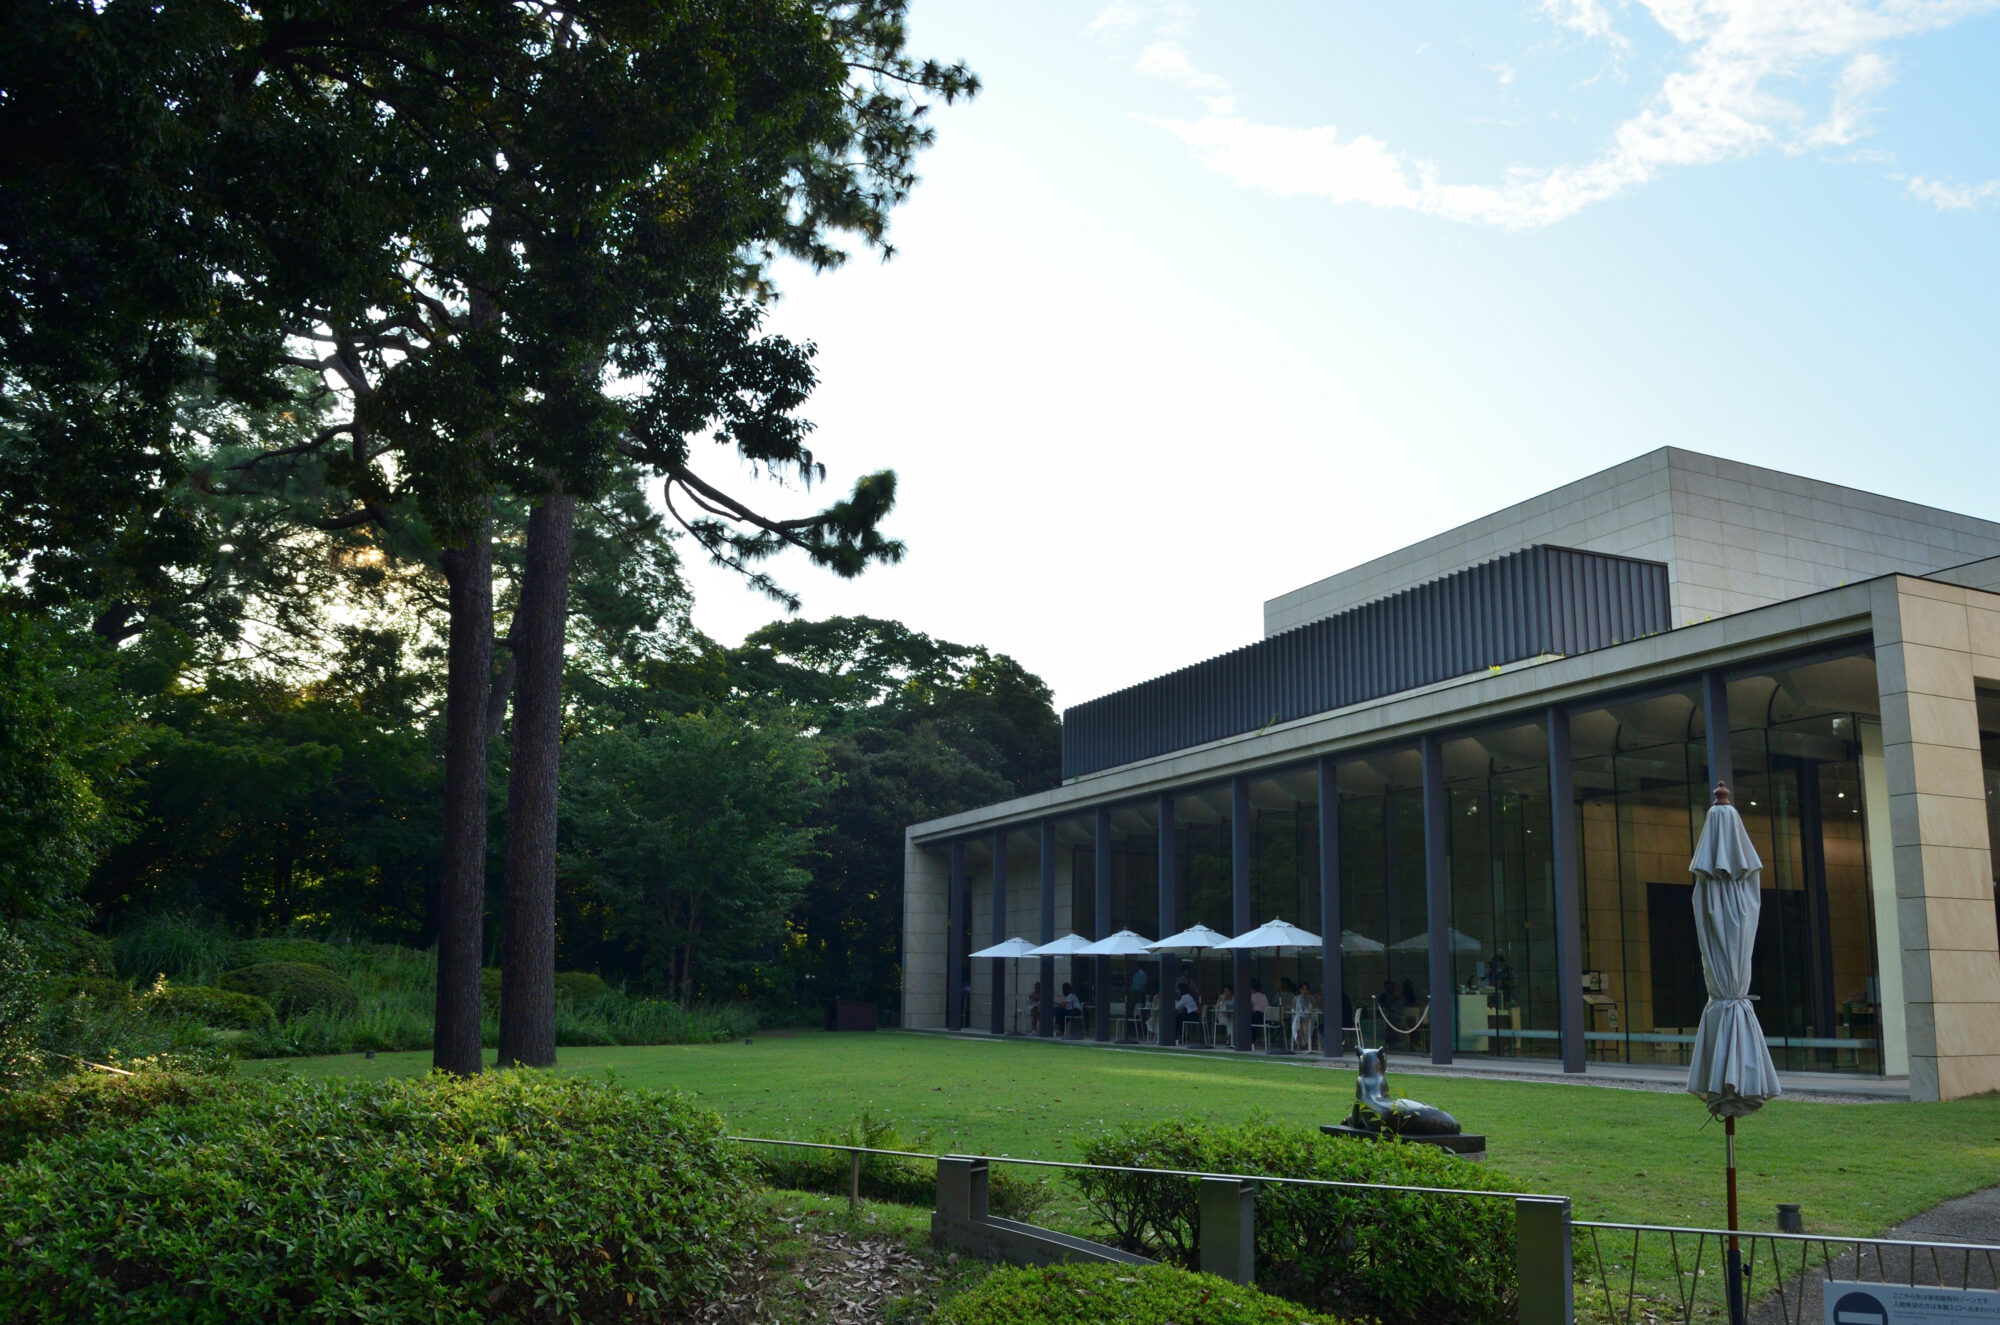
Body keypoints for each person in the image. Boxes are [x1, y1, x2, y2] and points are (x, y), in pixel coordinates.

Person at [1291, 981, 1317, 1052]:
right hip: (1299, 1019)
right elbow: (1294, 1010)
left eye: (1306, 989)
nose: (1305, 990)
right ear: (1300, 990)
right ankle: (1302, 1042)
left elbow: (1313, 1009)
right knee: (1298, 1019)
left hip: (1309, 1018)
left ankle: (1300, 1044)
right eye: (1303, 989)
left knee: (1299, 1021)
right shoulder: (1296, 998)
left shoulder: (1311, 998)